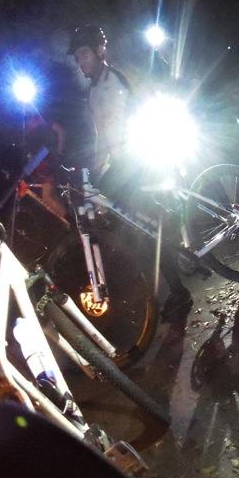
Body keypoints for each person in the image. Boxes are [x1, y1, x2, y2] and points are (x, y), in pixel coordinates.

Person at [67, 25, 191, 316]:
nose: (80, 62)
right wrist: (93, 168)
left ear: (99, 51)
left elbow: (145, 104)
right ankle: (170, 239)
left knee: (145, 229)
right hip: (124, 164)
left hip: (141, 157)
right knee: (136, 226)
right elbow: (102, 136)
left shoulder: (119, 77)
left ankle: (179, 290)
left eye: (84, 54)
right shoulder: (92, 93)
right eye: (77, 57)